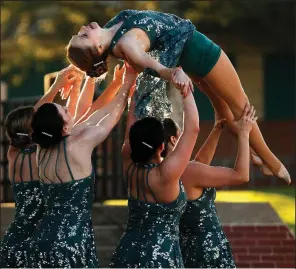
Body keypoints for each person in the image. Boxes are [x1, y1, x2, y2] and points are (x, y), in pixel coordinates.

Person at [66, 9, 290, 184]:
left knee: (223, 110)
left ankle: (257, 154)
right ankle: (272, 162)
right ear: (97, 46)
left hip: (187, 52)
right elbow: (152, 64)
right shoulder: (127, 45)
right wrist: (171, 72)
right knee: (241, 106)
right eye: (84, 35)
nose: (84, 27)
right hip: (200, 52)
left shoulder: (111, 30)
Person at [25, 63, 136, 268]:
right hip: (70, 241)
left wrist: (85, 84)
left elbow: (87, 115)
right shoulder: (77, 144)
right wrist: (128, 81)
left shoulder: (43, 148)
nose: (69, 109)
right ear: (65, 127)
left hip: (41, 239)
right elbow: (108, 117)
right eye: (65, 110)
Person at [110, 83, 199, 268]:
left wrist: (133, 96)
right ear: (161, 147)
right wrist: (185, 88)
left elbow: (130, 133)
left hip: (127, 253)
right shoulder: (167, 174)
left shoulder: (129, 166)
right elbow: (193, 129)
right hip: (160, 257)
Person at [0, 66, 80, 268]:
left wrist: (57, 85)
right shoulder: (41, 153)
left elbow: (34, 119)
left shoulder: (13, 155)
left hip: (13, 242)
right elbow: (36, 117)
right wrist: (56, 86)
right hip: (37, 244)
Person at [162, 104, 257, 268]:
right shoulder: (189, 170)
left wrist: (217, 129)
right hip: (209, 250)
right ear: (173, 139)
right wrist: (244, 133)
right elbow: (241, 175)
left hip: (187, 251)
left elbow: (199, 162)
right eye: (181, 134)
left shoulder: (161, 171)